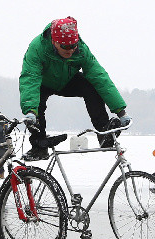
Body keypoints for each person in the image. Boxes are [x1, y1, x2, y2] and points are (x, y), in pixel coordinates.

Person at [19, 16, 131, 160]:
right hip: (42, 82)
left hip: (66, 80)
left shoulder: (82, 50)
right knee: (36, 107)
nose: (70, 50)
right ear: (54, 41)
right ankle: (39, 147)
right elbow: (30, 78)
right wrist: (30, 111)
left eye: (73, 46)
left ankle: (103, 132)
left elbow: (101, 78)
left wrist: (121, 112)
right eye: (65, 47)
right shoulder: (37, 47)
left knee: (91, 85)